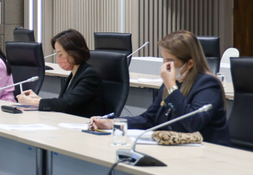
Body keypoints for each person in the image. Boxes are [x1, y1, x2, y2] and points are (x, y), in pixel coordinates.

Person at [89, 30, 231, 145]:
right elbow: (149, 118)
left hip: (210, 152)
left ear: (190, 63)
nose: (165, 66)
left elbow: (193, 124)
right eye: (163, 59)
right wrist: (113, 123)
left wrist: (171, 87)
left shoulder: (207, 84)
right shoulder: (171, 82)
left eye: (170, 61)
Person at [17, 29, 105, 117]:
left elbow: (67, 103)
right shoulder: (74, 74)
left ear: (73, 53)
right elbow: (62, 102)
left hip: (83, 122)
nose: (58, 59)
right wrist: (36, 98)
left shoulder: (90, 75)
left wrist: (34, 102)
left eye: (60, 54)